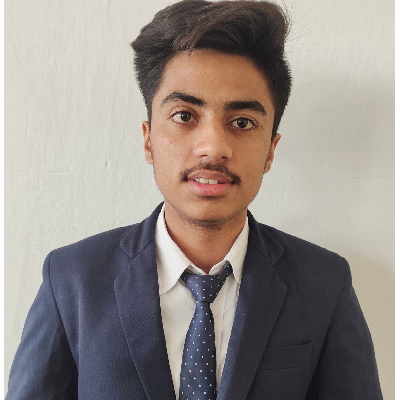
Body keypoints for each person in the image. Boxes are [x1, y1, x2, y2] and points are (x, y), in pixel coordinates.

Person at [6, 0, 383, 399]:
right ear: (148, 140)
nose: (213, 147)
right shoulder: (73, 279)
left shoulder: (324, 282)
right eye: (185, 116)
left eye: (242, 122)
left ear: (271, 150)